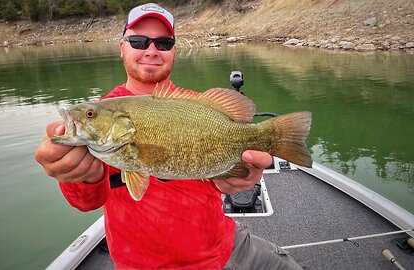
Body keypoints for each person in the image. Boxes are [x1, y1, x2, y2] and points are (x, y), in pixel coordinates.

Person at [35, 3, 302, 269]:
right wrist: (80, 174)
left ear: (175, 50)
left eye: (163, 43)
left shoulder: (197, 105)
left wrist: (237, 177)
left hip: (220, 248)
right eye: (139, 41)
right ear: (122, 47)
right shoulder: (103, 114)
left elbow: (223, 179)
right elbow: (86, 202)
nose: (151, 50)